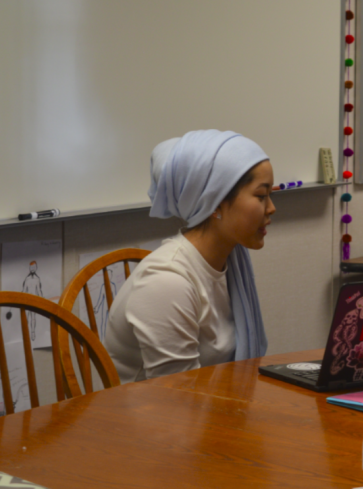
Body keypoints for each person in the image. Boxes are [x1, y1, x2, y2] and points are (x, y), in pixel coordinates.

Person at [105, 130, 275, 383]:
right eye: (261, 196)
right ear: (214, 201)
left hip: (209, 409)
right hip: (148, 418)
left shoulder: (229, 263)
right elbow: (178, 400)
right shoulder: (166, 282)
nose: (271, 208)